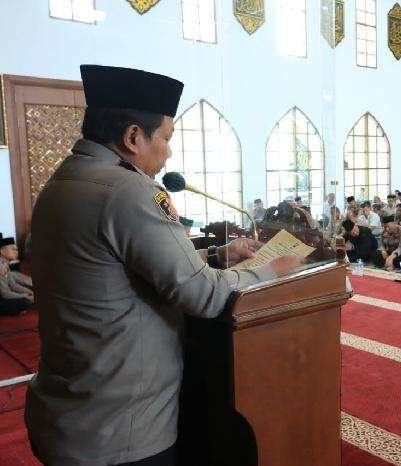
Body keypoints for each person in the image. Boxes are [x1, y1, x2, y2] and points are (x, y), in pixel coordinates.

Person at [25, 65, 302, 466]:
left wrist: (215, 256)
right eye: (167, 138)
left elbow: (114, 267)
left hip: (68, 412)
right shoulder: (128, 190)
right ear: (133, 137)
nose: (169, 152)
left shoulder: (64, 181)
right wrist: (272, 270)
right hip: (120, 429)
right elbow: (204, 295)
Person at [0, 237, 34, 316]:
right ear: (2, 251)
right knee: (25, 302)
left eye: (16, 249)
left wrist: (29, 292)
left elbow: (13, 285)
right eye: (13, 249)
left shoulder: (5, 264)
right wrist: (27, 296)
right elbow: (5, 293)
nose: (16, 252)